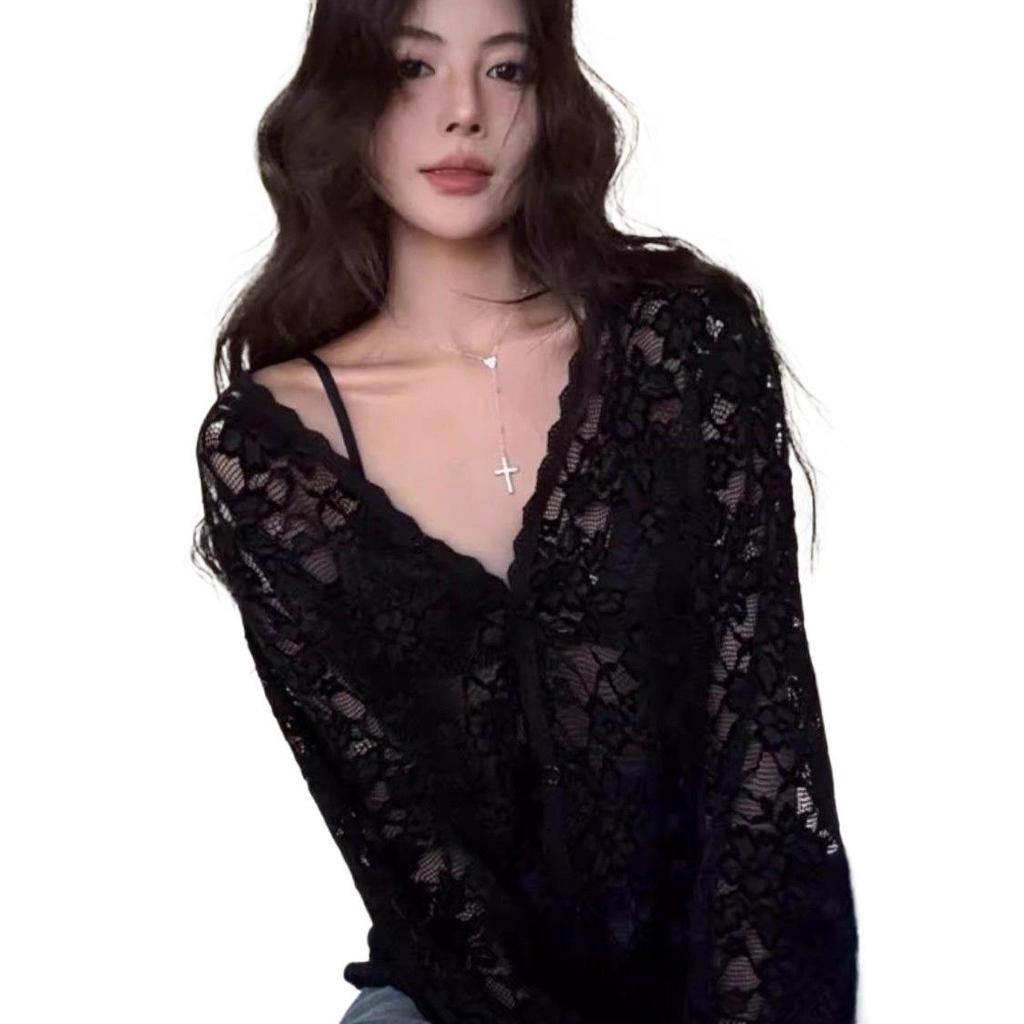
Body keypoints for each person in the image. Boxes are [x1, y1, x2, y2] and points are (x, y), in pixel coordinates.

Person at [192, 1, 860, 1021]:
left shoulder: (684, 345)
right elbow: (407, 845)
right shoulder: (269, 450)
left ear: (552, 102)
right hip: (452, 1000)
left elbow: (762, 746)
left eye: (505, 70)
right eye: (413, 69)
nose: (463, 111)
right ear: (346, 97)